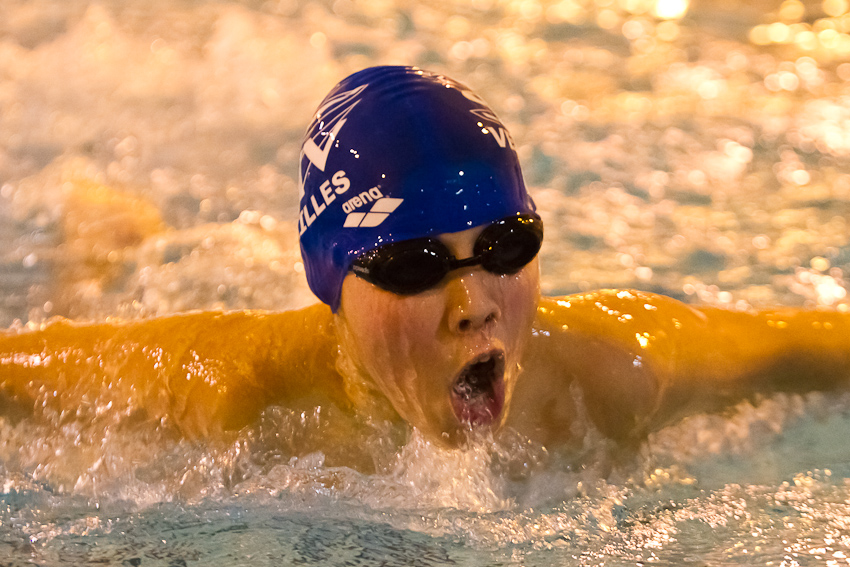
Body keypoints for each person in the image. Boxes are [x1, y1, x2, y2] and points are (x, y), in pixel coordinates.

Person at [1, 66, 849, 470]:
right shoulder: (235, 391)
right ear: (330, 280)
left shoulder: (616, 368)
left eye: (506, 246)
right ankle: (105, 235)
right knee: (92, 287)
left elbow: (816, 340)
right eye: (413, 265)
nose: (474, 302)